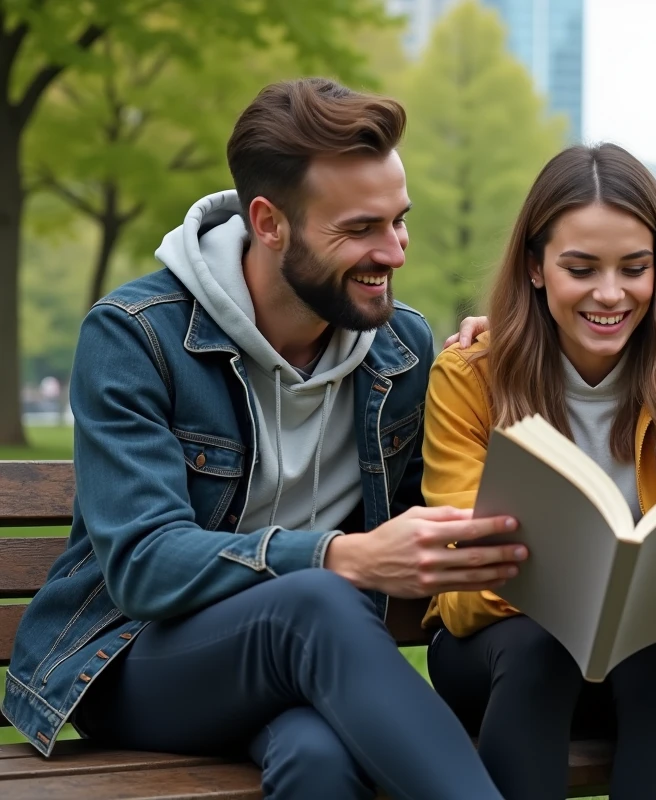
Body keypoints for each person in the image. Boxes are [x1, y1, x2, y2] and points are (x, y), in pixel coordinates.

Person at [1, 78, 528, 800]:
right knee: (317, 598)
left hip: (304, 660)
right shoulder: (138, 336)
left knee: (317, 758)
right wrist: (339, 556)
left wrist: (510, 374)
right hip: (133, 658)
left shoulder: (400, 347)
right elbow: (145, 564)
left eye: (399, 221)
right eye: (361, 229)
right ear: (269, 222)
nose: (395, 252)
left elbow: (438, 514)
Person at [420, 142, 656, 800]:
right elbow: (459, 590)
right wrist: (579, 594)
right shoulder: (470, 377)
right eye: (581, 268)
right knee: (538, 645)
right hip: (500, 658)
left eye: (635, 267)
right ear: (537, 268)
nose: (611, 293)